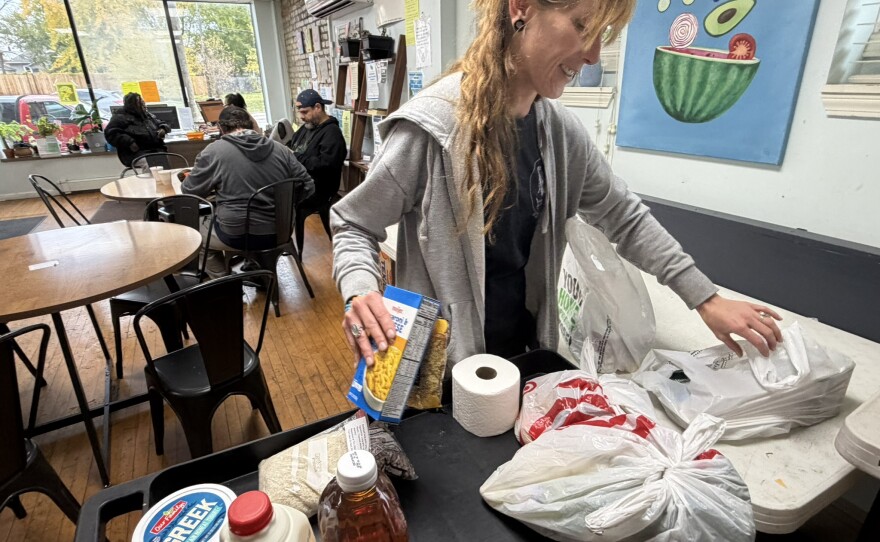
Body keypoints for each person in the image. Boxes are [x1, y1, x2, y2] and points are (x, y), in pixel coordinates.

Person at [331, 0, 785, 368]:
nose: (591, 56)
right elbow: (352, 221)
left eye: (601, 38)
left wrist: (705, 299)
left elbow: (624, 217)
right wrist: (361, 289)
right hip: (443, 360)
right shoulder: (433, 127)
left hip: (524, 351)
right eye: (582, 26)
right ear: (522, 8)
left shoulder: (560, 135)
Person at [182, 106, 314, 278]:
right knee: (249, 220)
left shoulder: (214, 151)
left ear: (221, 128)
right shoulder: (281, 149)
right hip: (280, 231)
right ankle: (254, 266)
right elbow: (308, 186)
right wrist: (288, 205)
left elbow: (189, 191)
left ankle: (226, 284)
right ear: (251, 125)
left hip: (236, 234)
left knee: (194, 234)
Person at [288, 89, 347, 210]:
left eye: (305, 112)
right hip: (301, 182)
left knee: (279, 200)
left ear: (318, 107)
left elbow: (325, 165)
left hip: (318, 189)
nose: (301, 117)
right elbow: (291, 145)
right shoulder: (306, 127)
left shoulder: (332, 133)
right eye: (300, 112)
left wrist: (294, 156)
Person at [105, 92, 170, 167]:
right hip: (136, 153)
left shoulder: (147, 116)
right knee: (151, 164)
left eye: (143, 103)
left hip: (155, 151)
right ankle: (152, 179)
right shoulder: (120, 117)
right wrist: (130, 142)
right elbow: (111, 133)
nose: (144, 105)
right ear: (131, 105)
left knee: (166, 163)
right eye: (140, 103)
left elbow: (162, 123)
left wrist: (163, 128)